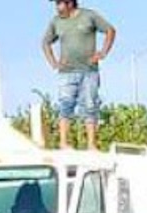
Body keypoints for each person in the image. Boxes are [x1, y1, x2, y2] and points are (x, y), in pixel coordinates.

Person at [42, 0, 117, 152]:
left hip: (89, 71)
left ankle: (91, 145)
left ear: (70, 3)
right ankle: (63, 143)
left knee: (90, 107)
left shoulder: (89, 16)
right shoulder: (56, 22)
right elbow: (45, 43)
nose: (57, 7)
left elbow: (110, 30)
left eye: (59, 3)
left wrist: (103, 52)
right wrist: (54, 63)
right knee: (65, 106)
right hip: (66, 73)